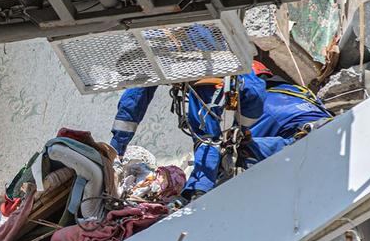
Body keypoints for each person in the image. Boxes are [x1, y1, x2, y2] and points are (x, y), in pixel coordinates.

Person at [109, 61, 331, 198]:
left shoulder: (212, 80)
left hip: (298, 138)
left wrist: (117, 147)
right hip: (322, 122)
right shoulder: (293, 91)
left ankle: (198, 191)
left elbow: (209, 139)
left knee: (232, 153)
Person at [109, 64, 265, 198]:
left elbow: (131, 107)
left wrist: (116, 150)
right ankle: (199, 190)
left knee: (206, 137)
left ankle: (199, 189)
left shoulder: (155, 52)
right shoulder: (245, 74)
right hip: (209, 71)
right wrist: (240, 130)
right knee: (206, 136)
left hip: (203, 69)